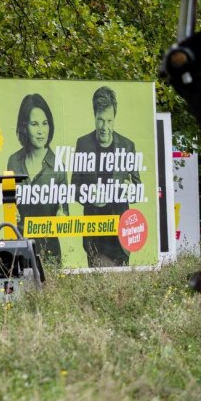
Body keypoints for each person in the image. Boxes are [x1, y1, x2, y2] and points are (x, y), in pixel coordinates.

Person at [71, 85, 141, 267]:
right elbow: (74, 188)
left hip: (121, 232)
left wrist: (130, 188)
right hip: (95, 230)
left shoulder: (127, 146)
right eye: (100, 120)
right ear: (94, 117)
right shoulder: (83, 144)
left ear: (115, 118)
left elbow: (137, 186)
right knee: (98, 284)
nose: (105, 127)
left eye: (109, 121)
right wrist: (88, 195)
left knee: (122, 288)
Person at [4, 93, 69, 261]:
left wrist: (62, 218)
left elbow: (65, 213)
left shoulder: (58, 165)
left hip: (50, 251)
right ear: (25, 127)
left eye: (45, 123)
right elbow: (8, 202)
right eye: (34, 124)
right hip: (19, 246)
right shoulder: (13, 161)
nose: (41, 131)